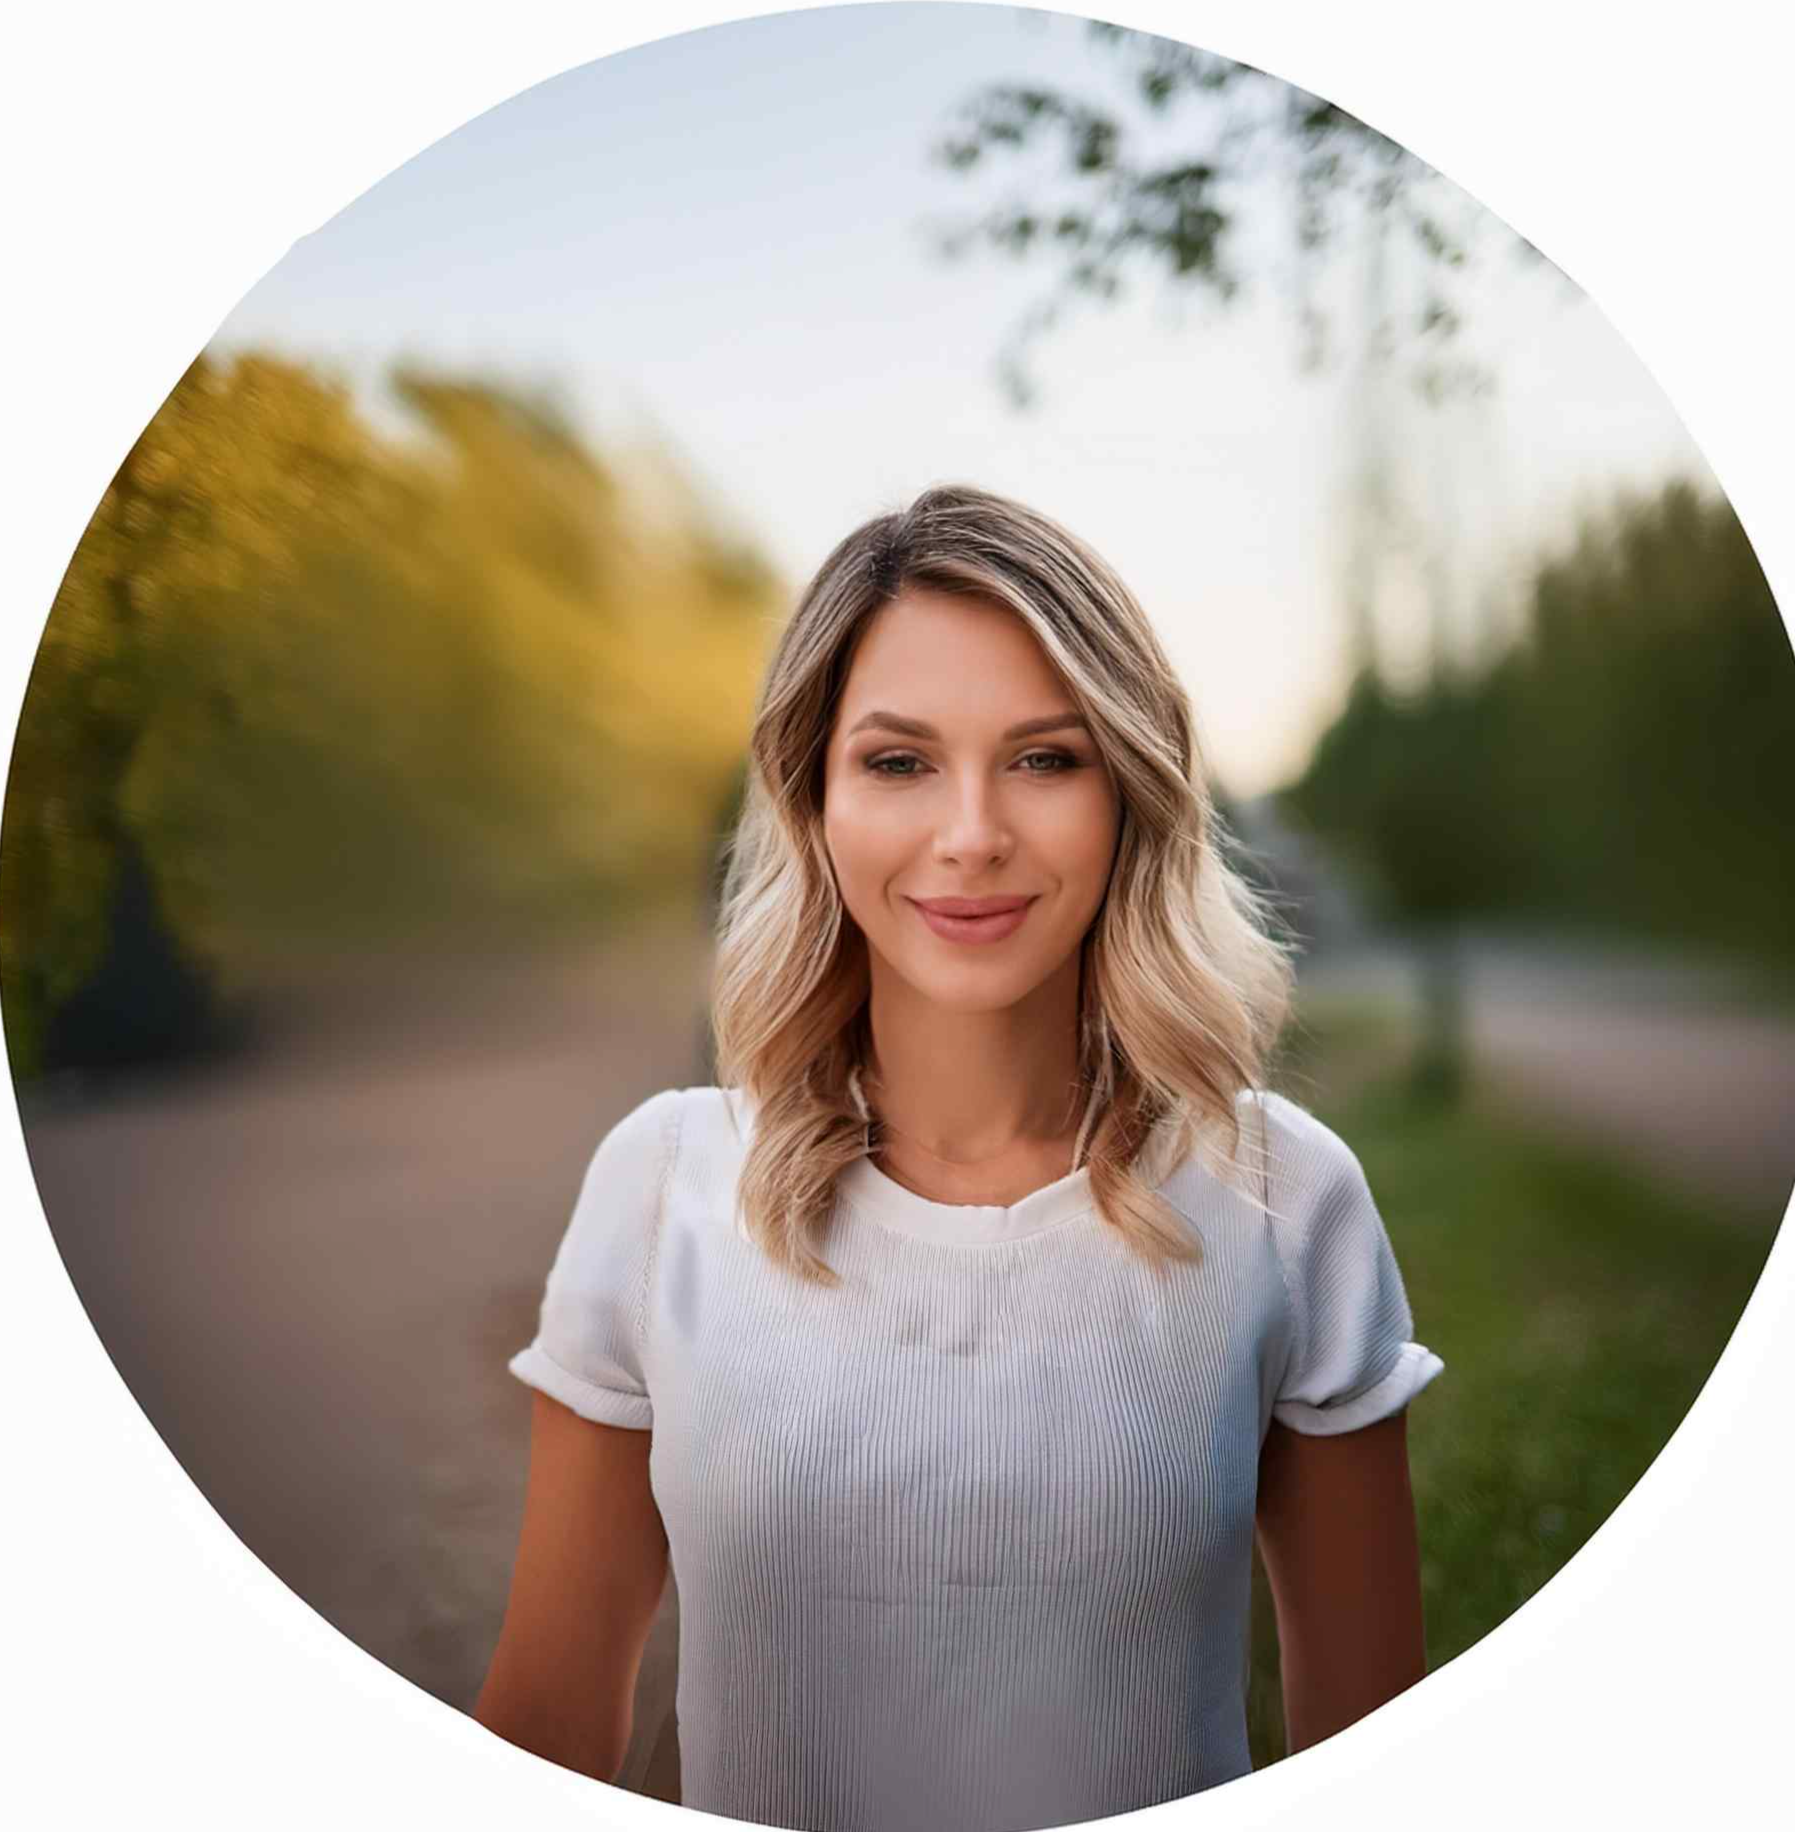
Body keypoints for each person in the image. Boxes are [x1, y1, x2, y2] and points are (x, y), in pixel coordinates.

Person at [473, 484, 1444, 1832]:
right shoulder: (661, 1189)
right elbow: (547, 1734)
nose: (973, 831)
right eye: (898, 760)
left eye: (1046, 758)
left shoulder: (1284, 1201)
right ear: (813, 796)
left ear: (1131, 793)